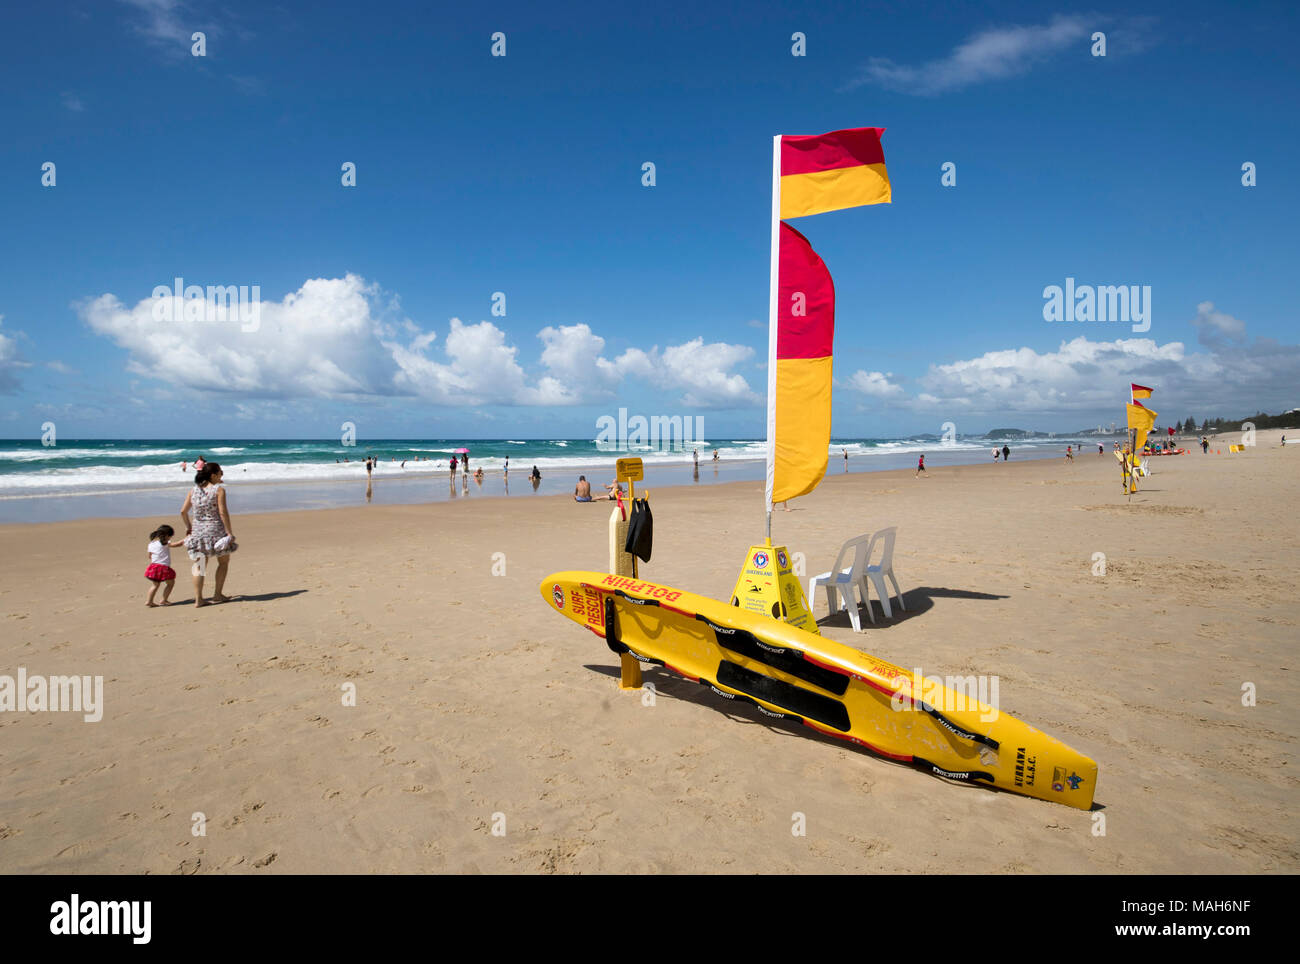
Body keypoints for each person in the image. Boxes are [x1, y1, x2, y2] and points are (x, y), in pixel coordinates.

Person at [180, 462, 238, 608]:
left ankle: (198, 599)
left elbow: (183, 511)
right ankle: (217, 594)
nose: (221, 475)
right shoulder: (218, 490)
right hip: (216, 531)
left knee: (199, 565)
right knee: (223, 563)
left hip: (198, 532)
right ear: (213, 475)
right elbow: (223, 512)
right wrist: (229, 532)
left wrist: (189, 527)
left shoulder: (193, 490)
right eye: (220, 473)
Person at [144, 524, 183, 606]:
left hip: (153, 567)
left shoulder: (151, 544)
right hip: (163, 568)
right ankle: (163, 600)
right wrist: (185, 540)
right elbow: (177, 544)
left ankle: (149, 601)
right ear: (166, 536)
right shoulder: (165, 543)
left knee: (155, 585)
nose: (170, 538)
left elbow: (149, 556)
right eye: (170, 536)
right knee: (170, 583)